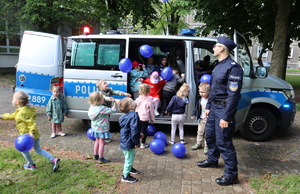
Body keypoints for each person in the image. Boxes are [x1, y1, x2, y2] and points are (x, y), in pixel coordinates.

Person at [197, 36, 243, 186]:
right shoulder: (218, 66)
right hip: (214, 107)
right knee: (210, 135)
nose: (213, 48)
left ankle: (231, 175)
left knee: (224, 141)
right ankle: (212, 160)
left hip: (224, 109)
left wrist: (226, 117)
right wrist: (209, 107)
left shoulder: (233, 67)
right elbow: (213, 89)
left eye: (216, 46)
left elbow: (233, 95)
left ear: (222, 48)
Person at [0, 91, 60, 171]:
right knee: (38, 149)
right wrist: (2, 116)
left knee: (23, 150)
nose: (12, 100)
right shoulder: (24, 110)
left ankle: (31, 165)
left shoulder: (22, 112)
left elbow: (31, 122)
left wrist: (31, 132)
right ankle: (53, 159)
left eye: (13, 99)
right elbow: (12, 116)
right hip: (34, 135)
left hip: (27, 137)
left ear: (18, 102)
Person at [88, 92, 117, 163]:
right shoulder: (102, 108)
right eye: (102, 98)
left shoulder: (92, 107)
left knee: (97, 141)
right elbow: (113, 110)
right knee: (101, 143)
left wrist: (108, 98)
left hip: (95, 128)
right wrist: (115, 103)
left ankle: (95, 155)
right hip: (102, 128)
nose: (103, 98)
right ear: (99, 100)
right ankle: (101, 158)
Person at [119, 97, 141, 183]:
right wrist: (136, 142)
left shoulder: (124, 116)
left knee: (129, 156)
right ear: (131, 106)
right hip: (129, 141)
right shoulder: (134, 116)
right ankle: (125, 176)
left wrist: (139, 134)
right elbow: (134, 130)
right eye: (133, 101)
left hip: (125, 140)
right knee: (129, 159)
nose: (135, 101)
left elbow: (130, 129)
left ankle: (130, 168)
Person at [191, 82, 210, 154]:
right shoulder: (200, 99)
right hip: (201, 118)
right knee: (200, 131)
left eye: (203, 92)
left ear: (208, 92)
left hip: (208, 119)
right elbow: (196, 108)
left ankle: (206, 145)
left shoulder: (210, 100)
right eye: (199, 91)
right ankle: (198, 143)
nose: (201, 93)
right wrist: (194, 114)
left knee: (208, 133)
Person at [135, 83, 155, 148]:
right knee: (144, 131)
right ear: (148, 91)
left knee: (137, 130)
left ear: (140, 91)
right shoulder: (150, 101)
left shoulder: (137, 99)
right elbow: (152, 112)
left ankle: (137, 143)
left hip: (137, 117)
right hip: (145, 118)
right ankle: (143, 144)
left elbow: (134, 107)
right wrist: (152, 119)